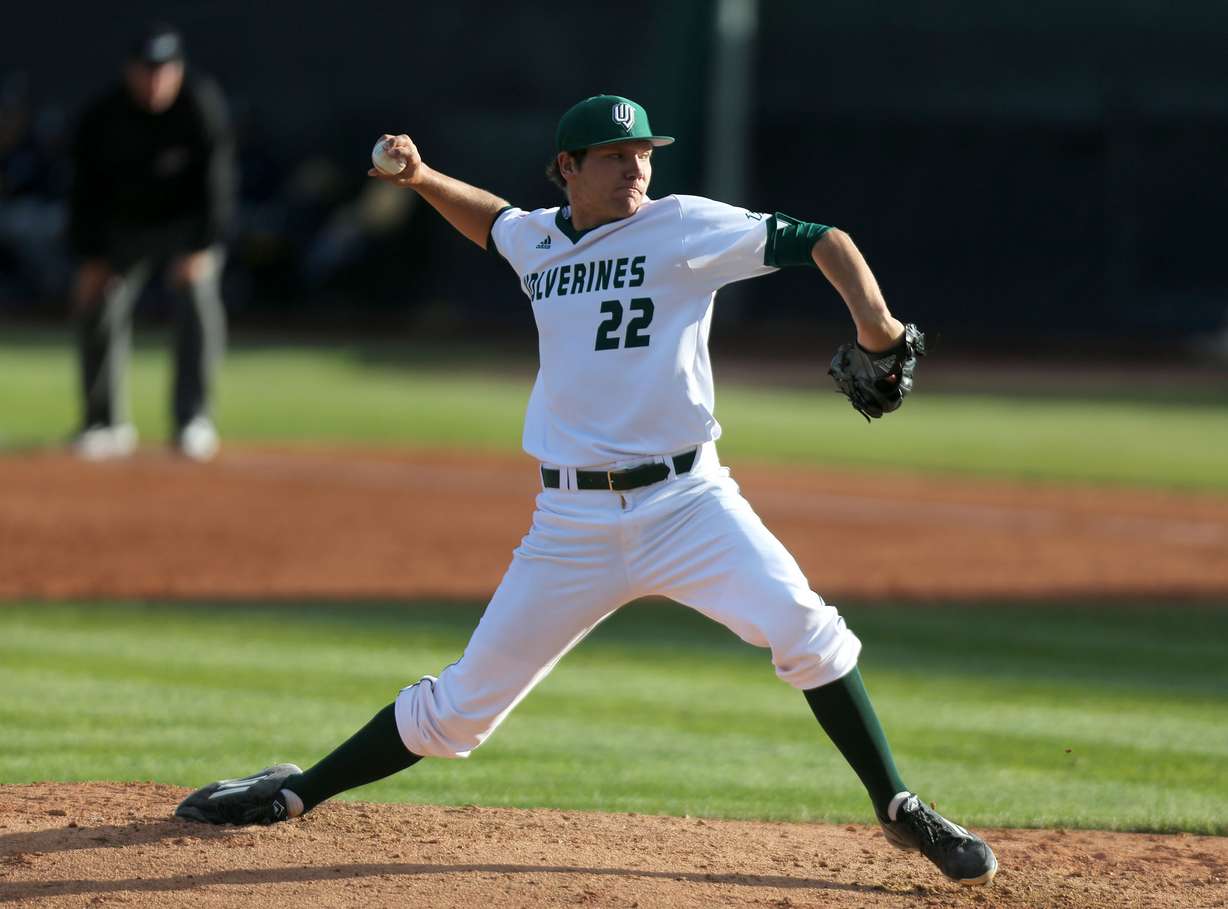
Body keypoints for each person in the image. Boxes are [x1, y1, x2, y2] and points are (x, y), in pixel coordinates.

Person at [176, 95, 997, 887]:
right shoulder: (540, 239)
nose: (635, 167)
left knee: (809, 630)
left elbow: (824, 239)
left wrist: (877, 327)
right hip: (569, 522)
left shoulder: (681, 226)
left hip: (688, 504)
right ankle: (292, 790)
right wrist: (422, 178)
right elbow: (495, 223)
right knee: (459, 713)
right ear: (567, 167)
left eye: (643, 152)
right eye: (615, 156)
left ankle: (898, 803)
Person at [67, 23, 236, 461]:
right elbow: (83, 193)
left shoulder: (200, 105)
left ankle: (193, 420)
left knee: (198, 293)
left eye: (165, 69)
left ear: (179, 71)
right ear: (130, 71)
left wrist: (201, 248)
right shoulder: (103, 116)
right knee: (96, 296)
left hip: (185, 228)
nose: (156, 79)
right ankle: (104, 422)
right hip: (122, 228)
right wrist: (91, 257)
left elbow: (217, 187)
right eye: (147, 69)